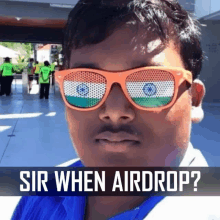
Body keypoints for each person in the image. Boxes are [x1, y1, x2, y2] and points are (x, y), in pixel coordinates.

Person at [11, 0, 220, 219]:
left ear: (194, 99)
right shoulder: (42, 196)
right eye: (86, 86)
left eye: (149, 86)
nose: (114, 110)